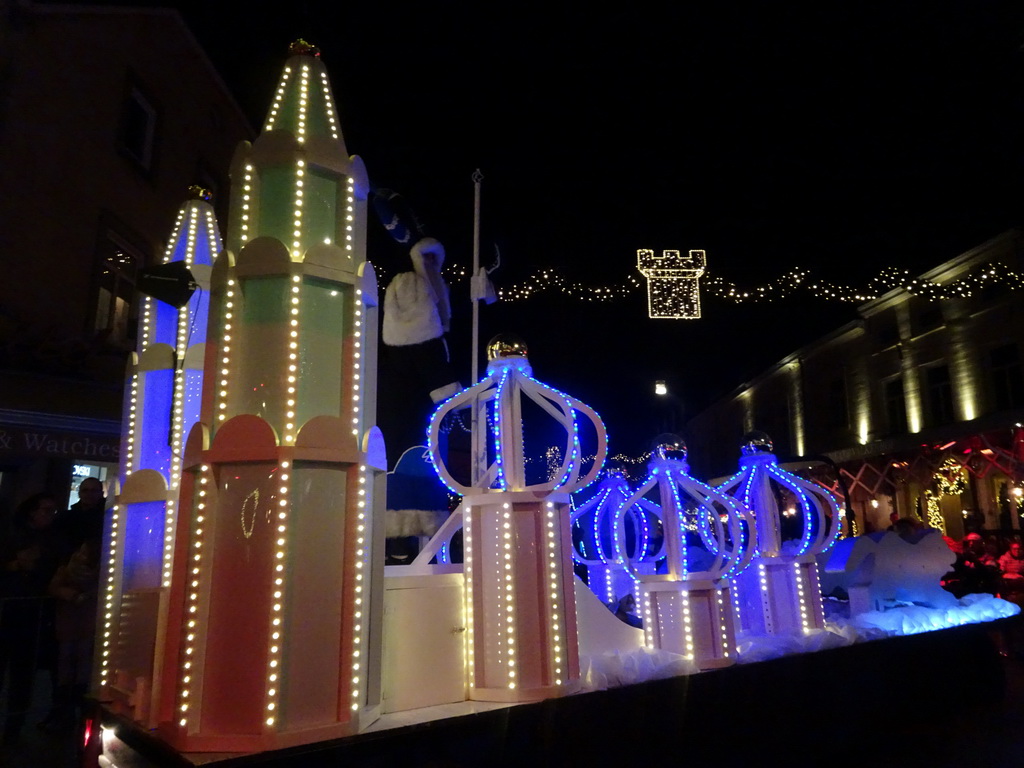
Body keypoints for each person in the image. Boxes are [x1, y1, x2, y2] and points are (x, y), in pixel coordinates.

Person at [0, 493, 61, 744]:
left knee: (23, 673)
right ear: (32, 512)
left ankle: (14, 727)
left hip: (32, 612)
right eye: (45, 510)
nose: (50, 516)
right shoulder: (11, 536)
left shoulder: (54, 540)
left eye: (52, 511)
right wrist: (15, 565)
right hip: (9, 608)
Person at [54, 477, 106, 556]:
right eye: (85, 490)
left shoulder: (108, 516)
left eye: (93, 491)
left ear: (101, 494)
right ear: (79, 493)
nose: (89, 494)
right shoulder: (66, 517)